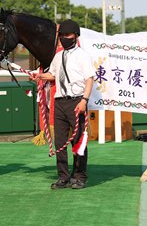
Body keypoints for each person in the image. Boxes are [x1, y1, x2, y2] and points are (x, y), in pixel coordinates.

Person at [32, 20, 94, 189]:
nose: (65, 38)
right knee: (60, 142)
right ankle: (63, 177)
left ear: (76, 36)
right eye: (62, 35)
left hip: (77, 101)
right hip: (59, 102)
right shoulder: (58, 56)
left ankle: (80, 176)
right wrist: (38, 76)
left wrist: (84, 100)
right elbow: (52, 74)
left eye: (68, 35)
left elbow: (90, 78)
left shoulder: (83, 55)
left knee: (78, 141)